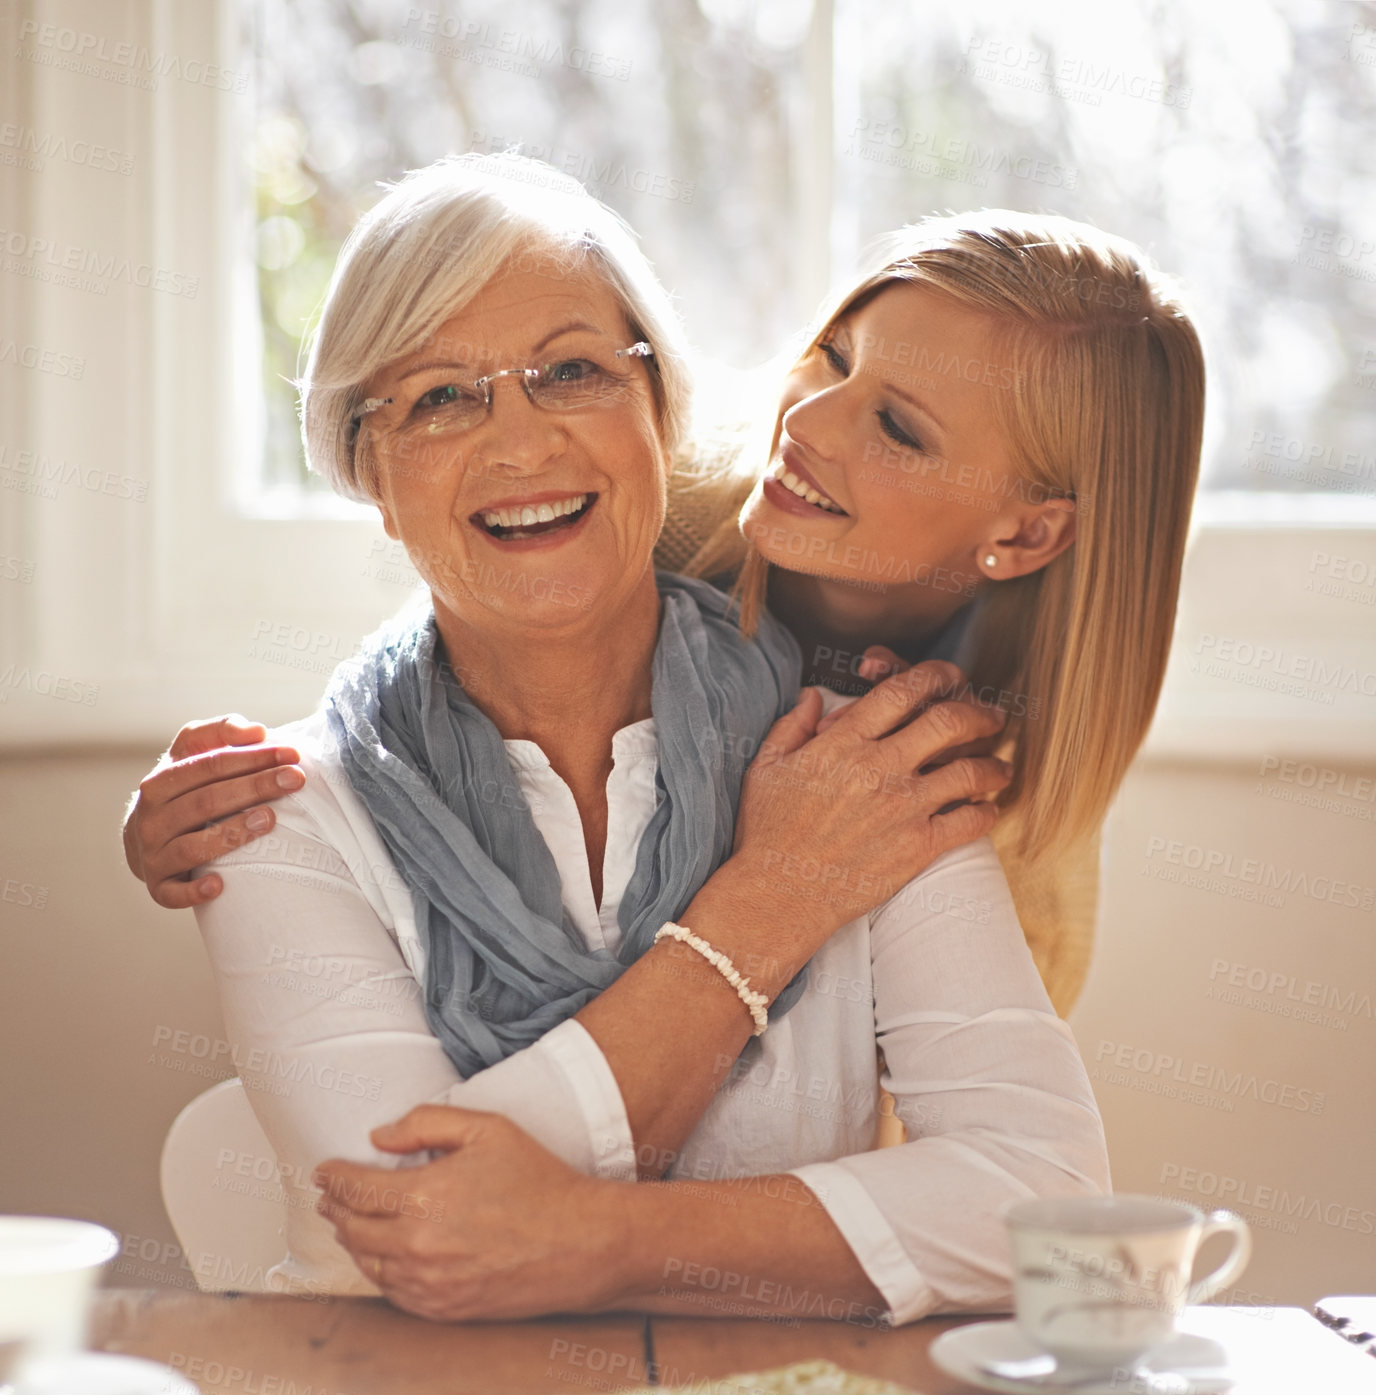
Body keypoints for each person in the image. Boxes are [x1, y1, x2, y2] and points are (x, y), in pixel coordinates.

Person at [161, 154, 1110, 1321]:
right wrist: (766, 907)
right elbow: (391, 1233)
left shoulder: (864, 770)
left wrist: (604, 1239)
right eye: (440, 398)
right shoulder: (275, 813)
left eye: (569, 372)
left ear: (660, 413)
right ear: (369, 469)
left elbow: (1048, 1201)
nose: (519, 446)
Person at [125, 201, 1203, 1018]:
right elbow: (447, 673)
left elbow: (913, 1159)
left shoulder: (1007, 813)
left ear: (1022, 536)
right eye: (831, 354)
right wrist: (230, 810)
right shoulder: (638, 493)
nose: (809, 422)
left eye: (899, 429)